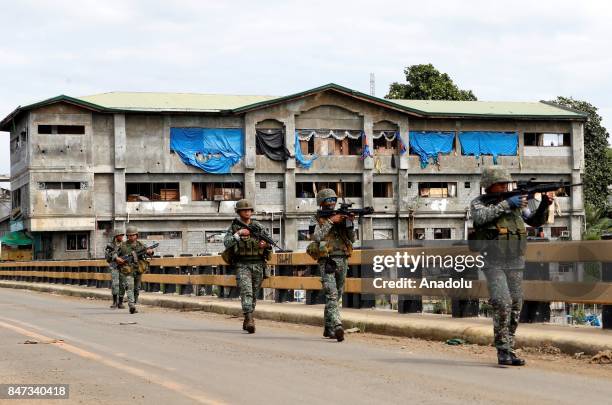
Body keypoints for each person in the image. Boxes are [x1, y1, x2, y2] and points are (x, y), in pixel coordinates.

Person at [470, 166, 553, 366]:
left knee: (516, 303)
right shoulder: (479, 203)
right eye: (501, 184)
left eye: (506, 183)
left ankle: (509, 347)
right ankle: (502, 350)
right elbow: (481, 218)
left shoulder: (516, 204)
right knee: (502, 302)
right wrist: (506, 204)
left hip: (515, 260)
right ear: (490, 185)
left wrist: (543, 206)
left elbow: (533, 220)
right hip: (493, 261)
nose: (505, 186)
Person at [308, 188, 356, 342]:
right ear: (321, 202)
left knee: (338, 294)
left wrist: (349, 224)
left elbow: (352, 239)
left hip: (343, 258)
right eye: (328, 201)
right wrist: (330, 222)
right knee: (332, 294)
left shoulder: (341, 217)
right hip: (327, 260)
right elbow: (316, 237)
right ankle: (337, 325)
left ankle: (328, 327)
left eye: (333, 200)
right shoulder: (315, 218)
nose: (331, 203)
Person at [223, 199, 272, 333]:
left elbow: (268, 242)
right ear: (239, 212)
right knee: (246, 292)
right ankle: (249, 318)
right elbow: (226, 243)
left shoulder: (258, 226)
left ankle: (247, 317)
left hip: (258, 263)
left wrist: (265, 244)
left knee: (255, 293)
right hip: (242, 264)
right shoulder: (234, 227)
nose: (247, 212)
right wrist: (238, 234)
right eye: (244, 210)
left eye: (249, 210)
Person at [115, 225, 154, 314]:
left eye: (133, 235)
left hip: (138, 269)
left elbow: (149, 252)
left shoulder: (141, 245)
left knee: (136, 288)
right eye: (129, 235)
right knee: (130, 287)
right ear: (127, 236)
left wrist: (150, 252)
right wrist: (117, 258)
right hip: (127, 270)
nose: (131, 237)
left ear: (136, 235)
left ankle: (134, 303)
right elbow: (113, 254)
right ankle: (131, 305)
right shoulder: (123, 245)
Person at [105, 228, 125, 309]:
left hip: (124, 266)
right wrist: (115, 258)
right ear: (116, 236)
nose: (121, 237)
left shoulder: (125, 245)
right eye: (120, 235)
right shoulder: (110, 245)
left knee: (123, 284)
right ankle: (114, 302)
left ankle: (120, 302)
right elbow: (107, 256)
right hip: (114, 266)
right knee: (115, 284)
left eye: (122, 235)